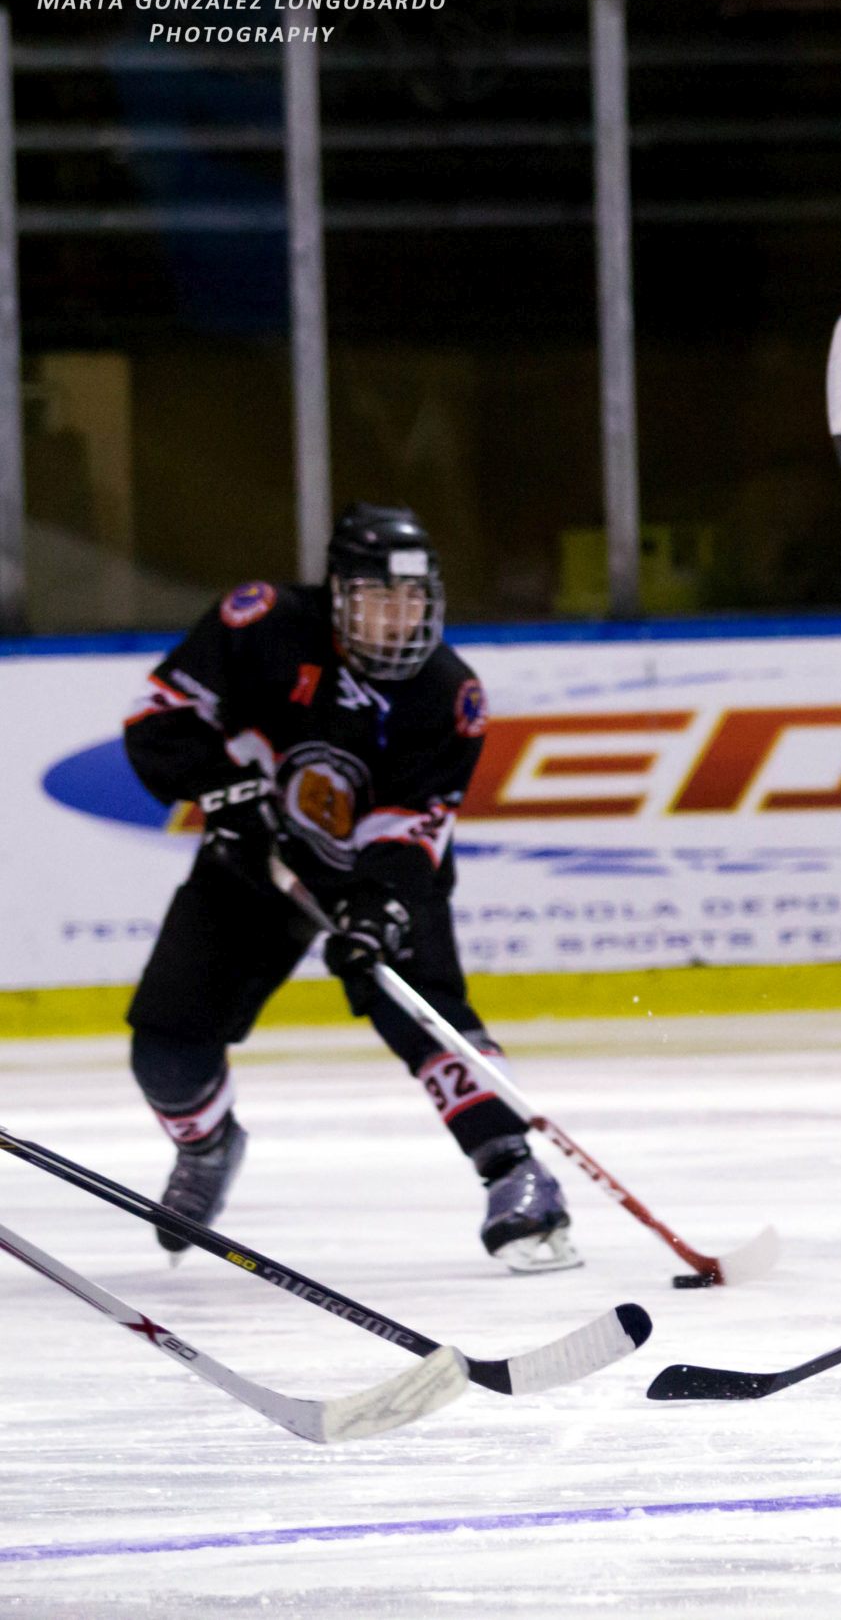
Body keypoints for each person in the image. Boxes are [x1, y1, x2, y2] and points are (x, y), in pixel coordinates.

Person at [119, 502, 577, 1273]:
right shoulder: (259, 623)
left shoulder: (448, 694)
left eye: (413, 600)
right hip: (250, 856)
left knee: (420, 1002)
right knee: (166, 1051)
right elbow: (157, 720)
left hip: (374, 866)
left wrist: (377, 906)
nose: (399, 619)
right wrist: (229, 795)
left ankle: (516, 1170)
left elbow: (415, 827)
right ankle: (207, 1147)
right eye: (379, 599)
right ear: (337, 593)